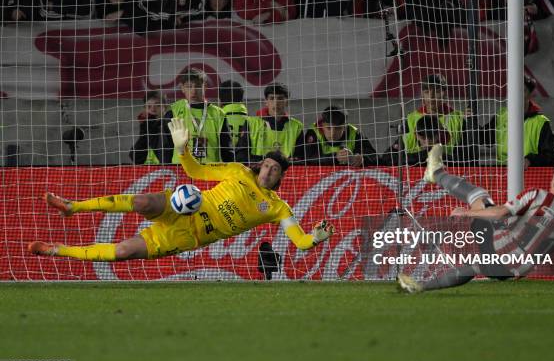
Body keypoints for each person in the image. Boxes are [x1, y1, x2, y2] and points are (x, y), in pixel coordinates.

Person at [29, 118, 335, 262]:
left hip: (188, 235)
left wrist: (315, 239)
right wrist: (182, 149)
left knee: (123, 252)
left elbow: (301, 240)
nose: (268, 171)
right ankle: (73, 207)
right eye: (266, 165)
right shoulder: (238, 171)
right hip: (184, 205)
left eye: (274, 170)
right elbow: (196, 171)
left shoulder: (279, 207)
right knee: (141, 201)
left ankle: (55, 250)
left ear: (280, 177)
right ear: (260, 165)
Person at [397, 144, 554, 296]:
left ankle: (436, 172)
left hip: (499, 246)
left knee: (480, 198)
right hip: (513, 270)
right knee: (473, 267)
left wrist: (466, 214)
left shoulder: (539, 195)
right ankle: (419, 287)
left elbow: (500, 213)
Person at [383, 74, 472, 166]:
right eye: (426, 92)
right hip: (414, 176)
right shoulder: (411, 119)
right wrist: (424, 155)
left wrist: (473, 124)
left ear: (444, 93)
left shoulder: (460, 119)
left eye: (437, 91)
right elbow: (388, 158)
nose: (431, 96)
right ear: (422, 94)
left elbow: (466, 159)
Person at [480, 74, 554, 168]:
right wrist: (469, 120)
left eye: (522, 91)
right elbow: (483, 139)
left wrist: (530, 160)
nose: (516, 94)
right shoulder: (500, 116)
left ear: (530, 95)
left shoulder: (540, 122)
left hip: (530, 176)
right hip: (503, 175)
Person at [162, 70, 228, 164]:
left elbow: (227, 152)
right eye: (189, 86)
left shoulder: (219, 114)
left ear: (204, 86)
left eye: (197, 86)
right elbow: (165, 149)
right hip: (181, 171)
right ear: (182, 88)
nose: (193, 90)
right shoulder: (173, 112)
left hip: (210, 171)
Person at [303, 106, 378, 167]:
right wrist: (335, 157)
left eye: (338, 128)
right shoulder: (314, 132)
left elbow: (375, 158)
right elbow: (307, 159)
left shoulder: (355, 133)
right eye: (328, 128)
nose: (333, 133)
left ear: (345, 127)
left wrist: (362, 159)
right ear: (322, 126)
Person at [217, 80, 267, 163]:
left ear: (220, 100)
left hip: (222, 169)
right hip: (247, 168)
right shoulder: (254, 122)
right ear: (242, 99)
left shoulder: (216, 120)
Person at [256, 83, 305, 161]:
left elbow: (300, 156)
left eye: (280, 98)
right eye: (272, 98)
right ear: (266, 102)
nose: (276, 103)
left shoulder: (297, 126)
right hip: (257, 171)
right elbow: (242, 156)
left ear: (287, 102)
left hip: (287, 171)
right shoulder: (252, 124)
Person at [129, 91, 172, 164]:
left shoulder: (170, 125)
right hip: (149, 170)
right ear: (145, 109)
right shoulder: (146, 127)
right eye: (149, 106)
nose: (153, 109)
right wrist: (145, 127)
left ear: (165, 107)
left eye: (157, 105)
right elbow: (136, 158)